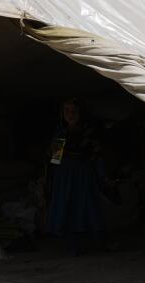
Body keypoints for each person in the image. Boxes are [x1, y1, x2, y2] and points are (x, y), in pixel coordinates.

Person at [45, 98, 106, 252]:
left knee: (87, 206)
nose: (70, 114)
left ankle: (97, 244)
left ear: (80, 113)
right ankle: (73, 246)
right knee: (67, 206)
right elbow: (55, 158)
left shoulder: (88, 132)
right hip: (64, 177)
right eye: (67, 111)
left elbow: (97, 155)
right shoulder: (60, 132)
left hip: (83, 175)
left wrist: (102, 175)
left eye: (74, 111)